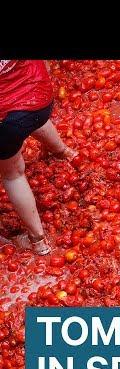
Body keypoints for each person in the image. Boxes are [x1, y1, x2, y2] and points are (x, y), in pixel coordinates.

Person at [0, 60, 77, 255]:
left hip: (8, 118)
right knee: (30, 118)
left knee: (13, 174)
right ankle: (64, 152)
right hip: (40, 95)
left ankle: (38, 241)